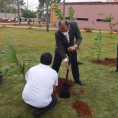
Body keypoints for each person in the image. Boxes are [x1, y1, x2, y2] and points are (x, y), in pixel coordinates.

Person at [22, 52, 58, 118]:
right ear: (51, 62)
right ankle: (40, 111)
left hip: (26, 99)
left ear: (40, 60)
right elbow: (54, 90)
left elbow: (25, 83)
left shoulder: (31, 69)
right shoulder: (54, 73)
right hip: (41, 104)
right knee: (54, 99)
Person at [52, 20, 85, 86]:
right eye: (62, 32)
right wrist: (66, 60)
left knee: (74, 63)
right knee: (56, 64)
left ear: (69, 26)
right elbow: (60, 47)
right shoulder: (57, 33)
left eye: (66, 31)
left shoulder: (74, 25)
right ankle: (52, 79)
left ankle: (77, 79)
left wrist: (75, 46)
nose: (64, 33)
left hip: (71, 47)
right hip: (60, 48)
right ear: (59, 27)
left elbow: (79, 37)